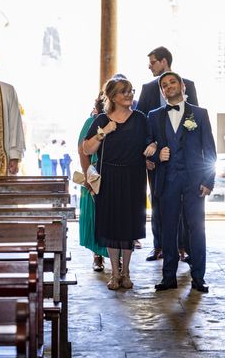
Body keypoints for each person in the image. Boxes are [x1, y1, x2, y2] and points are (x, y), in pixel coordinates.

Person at [146, 71, 216, 293]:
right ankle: (168, 277)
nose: (169, 87)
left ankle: (198, 278)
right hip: (167, 180)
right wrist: (158, 156)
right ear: (162, 92)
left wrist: (209, 180)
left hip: (195, 181)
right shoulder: (154, 116)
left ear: (182, 85)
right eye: (164, 86)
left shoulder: (200, 114)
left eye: (172, 82)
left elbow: (210, 150)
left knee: (197, 228)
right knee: (168, 230)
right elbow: (148, 147)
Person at [82, 77, 147, 290]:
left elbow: (150, 141)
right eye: (123, 91)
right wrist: (104, 132)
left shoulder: (140, 118)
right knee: (111, 224)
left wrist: (153, 148)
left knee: (128, 225)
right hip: (109, 175)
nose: (128, 95)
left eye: (130, 91)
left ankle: (127, 272)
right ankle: (114, 273)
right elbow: (87, 149)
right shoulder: (101, 120)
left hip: (134, 176)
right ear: (112, 96)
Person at [136, 46, 198, 263]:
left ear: (164, 61)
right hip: (158, 157)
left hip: (183, 158)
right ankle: (159, 245)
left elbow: (194, 119)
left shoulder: (188, 84)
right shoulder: (148, 88)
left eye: (152, 62)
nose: (149, 66)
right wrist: (148, 156)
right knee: (157, 200)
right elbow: (142, 123)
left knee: (184, 204)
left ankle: (183, 246)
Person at [78, 92, 109, 272]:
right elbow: (83, 151)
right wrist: (88, 174)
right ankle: (97, 256)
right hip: (94, 172)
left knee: (114, 217)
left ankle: (117, 257)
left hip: (115, 173)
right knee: (96, 216)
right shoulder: (91, 122)